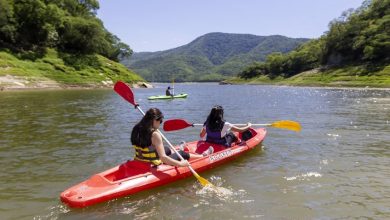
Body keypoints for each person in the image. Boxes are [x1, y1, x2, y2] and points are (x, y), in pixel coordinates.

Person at [131, 108, 213, 167]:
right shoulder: (155, 134)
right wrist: (181, 164)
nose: (160, 124)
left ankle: (179, 149)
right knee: (182, 154)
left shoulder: (136, 128)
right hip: (152, 162)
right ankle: (202, 156)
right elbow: (163, 158)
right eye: (160, 121)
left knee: (165, 148)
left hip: (140, 159)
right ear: (155, 120)